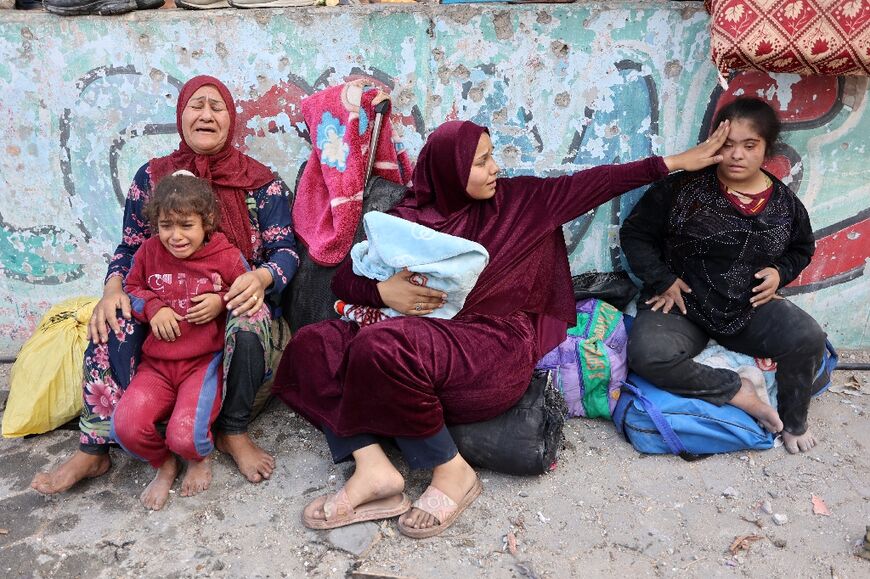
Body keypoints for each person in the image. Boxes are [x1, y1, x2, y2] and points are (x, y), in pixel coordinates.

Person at [273, 119, 730, 537]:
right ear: (448, 171)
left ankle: (452, 472)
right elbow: (348, 279)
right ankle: (373, 466)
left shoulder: (520, 203)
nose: (495, 168)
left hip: (492, 351)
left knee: (379, 346)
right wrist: (384, 292)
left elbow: (596, 183)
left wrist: (673, 163)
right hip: (414, 340)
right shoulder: (408, 217)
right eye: (481, 161)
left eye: (492, 156)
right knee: (311, 344)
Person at [31, 75, 298, 494]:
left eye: (217, 106)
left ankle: (232, 429)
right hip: (164, 305)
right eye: (197, 105)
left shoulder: (261, 183)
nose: (206, 114)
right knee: (111, 317)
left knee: (250, 315)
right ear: (181, 115)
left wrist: (257, 279)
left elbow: (287, 252)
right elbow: (131, 248)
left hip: (231, 301)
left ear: (231, 119)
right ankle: (94, 446)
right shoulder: (152, 177)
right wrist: (113, 290)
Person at [620, 97, 825, 454]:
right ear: (715, 141)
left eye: (750, 146)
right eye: (727, 145)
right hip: (683, 305)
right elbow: (635, 234)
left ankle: (793, 422)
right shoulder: (683, 189)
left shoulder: (784, 204)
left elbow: (802, 248)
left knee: (808, 337)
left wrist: (780, 273)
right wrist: (662, 279)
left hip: (749, 308)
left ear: (767, 148)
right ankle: (737, 391)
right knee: (647, 354)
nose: (736, 155)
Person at [113, 173, 255, 510]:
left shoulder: (225, 255)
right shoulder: (149, 253)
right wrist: (152, 307)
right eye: (166, 225)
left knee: (186, 435)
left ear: (206, 222)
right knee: (125, 428)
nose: (175, 236)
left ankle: (198, 457)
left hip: (201, 364)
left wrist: (221, 300)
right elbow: (131, 288)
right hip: (157, 367)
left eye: (186, 225)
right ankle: (163, 463)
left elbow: (247, 288)